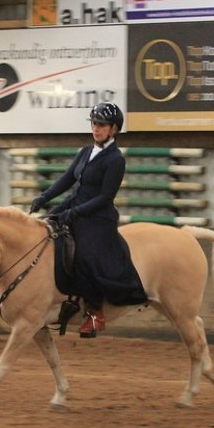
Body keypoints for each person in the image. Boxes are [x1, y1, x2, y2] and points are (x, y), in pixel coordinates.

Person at [29, 102, 147, 338]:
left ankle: (94, 313)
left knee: (84, 256)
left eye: (101, 125)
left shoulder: (115, 160)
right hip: (74, 206)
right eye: (94, 124)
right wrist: (44, 198)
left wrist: (75, 212)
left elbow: (105, 197)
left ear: (113, 129)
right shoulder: (85, 151)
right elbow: (66, 180)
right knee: (43, 234)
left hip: (98, 217)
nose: (96, 128)